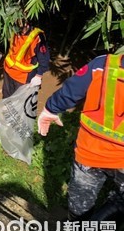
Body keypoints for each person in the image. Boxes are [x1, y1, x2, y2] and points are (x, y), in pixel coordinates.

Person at [38, 54, 124, 221]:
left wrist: (50, 109)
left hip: (89, 153)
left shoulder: (103, 63)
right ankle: (97, 227)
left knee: (80, 204)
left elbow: (71, 90)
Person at [2, 18, 50, 98]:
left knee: (20, 99)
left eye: (22, 27)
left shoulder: (37, 37)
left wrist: (39, 75)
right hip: (8, 70)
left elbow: (44, 58)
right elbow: (6, 42)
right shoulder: (12, 29)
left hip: (23, 76)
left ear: (27, 24)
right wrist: (0, 52)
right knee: (7, 95)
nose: (21, 31)